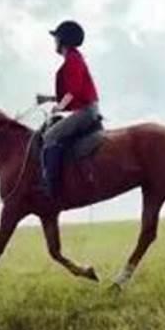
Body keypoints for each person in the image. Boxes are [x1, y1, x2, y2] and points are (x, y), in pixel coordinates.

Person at [36, 20, 101, 198]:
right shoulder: (73, 58)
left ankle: (52, 186)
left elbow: (73, 92)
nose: (54, 42)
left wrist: (59, 107)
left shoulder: (72, 60)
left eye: (56, 38)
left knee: (49, 136)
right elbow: (73, 93)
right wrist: (49, 99)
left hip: (87, 111)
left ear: (62, 40)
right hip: (86, 108)